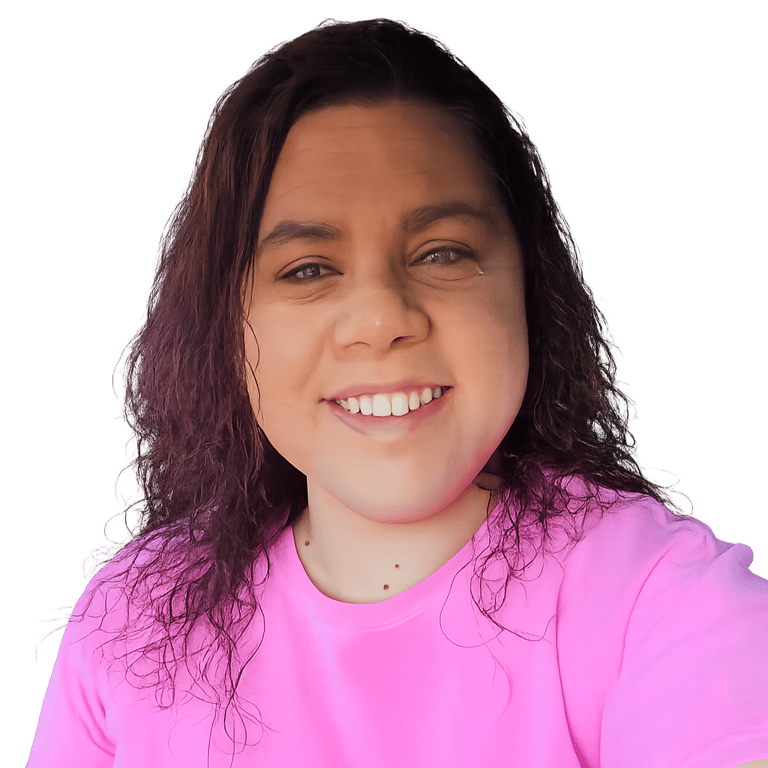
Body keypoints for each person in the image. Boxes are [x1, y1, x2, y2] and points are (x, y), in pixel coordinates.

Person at [27, 17, 768, 768]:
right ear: (226, 322)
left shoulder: (661, 600)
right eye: (308, 268)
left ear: (527, 289)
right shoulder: (131, 620)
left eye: (442, 252)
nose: (381, 320)